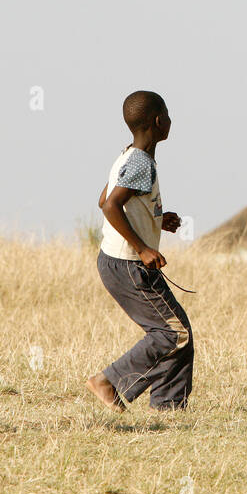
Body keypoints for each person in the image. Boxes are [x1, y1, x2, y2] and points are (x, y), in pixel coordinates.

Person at [86, 91, 193, 410]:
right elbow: (111, 207)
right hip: (130, 265)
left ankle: (168, 409)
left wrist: (157, 219)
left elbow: (105, 198)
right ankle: (109, 381)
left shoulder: (128, 156)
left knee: (177, 332)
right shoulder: (141, 163)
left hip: (119, 263)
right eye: (169, 114)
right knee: (173, 334)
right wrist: (144, 247)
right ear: (159, 122)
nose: (172, 120)